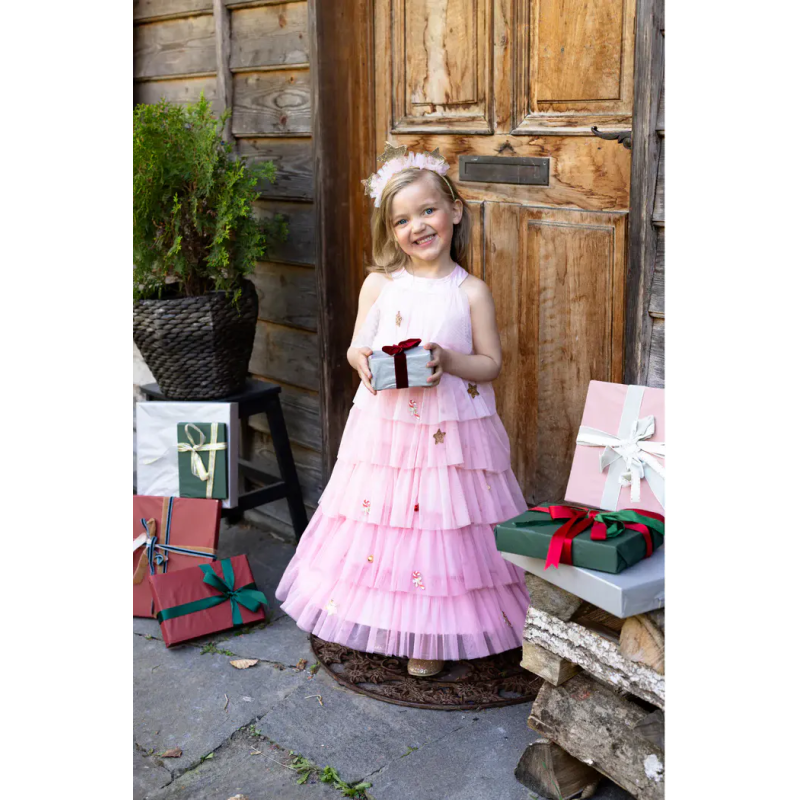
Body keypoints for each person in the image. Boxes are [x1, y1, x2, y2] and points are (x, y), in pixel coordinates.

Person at [275, 143, 529, 677]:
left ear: (455, 211)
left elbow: (491, 364)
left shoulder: (471, 292)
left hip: (450, 432)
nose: (418, 226)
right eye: (402, 220)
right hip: (387, 428)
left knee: (441, 525)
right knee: (385, 521)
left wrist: (450, 359)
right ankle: (377, 614)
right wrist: (362, 362)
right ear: (391, 232)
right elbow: (355, 346)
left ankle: (432, 634)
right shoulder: (381, 285)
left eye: (428, 210)